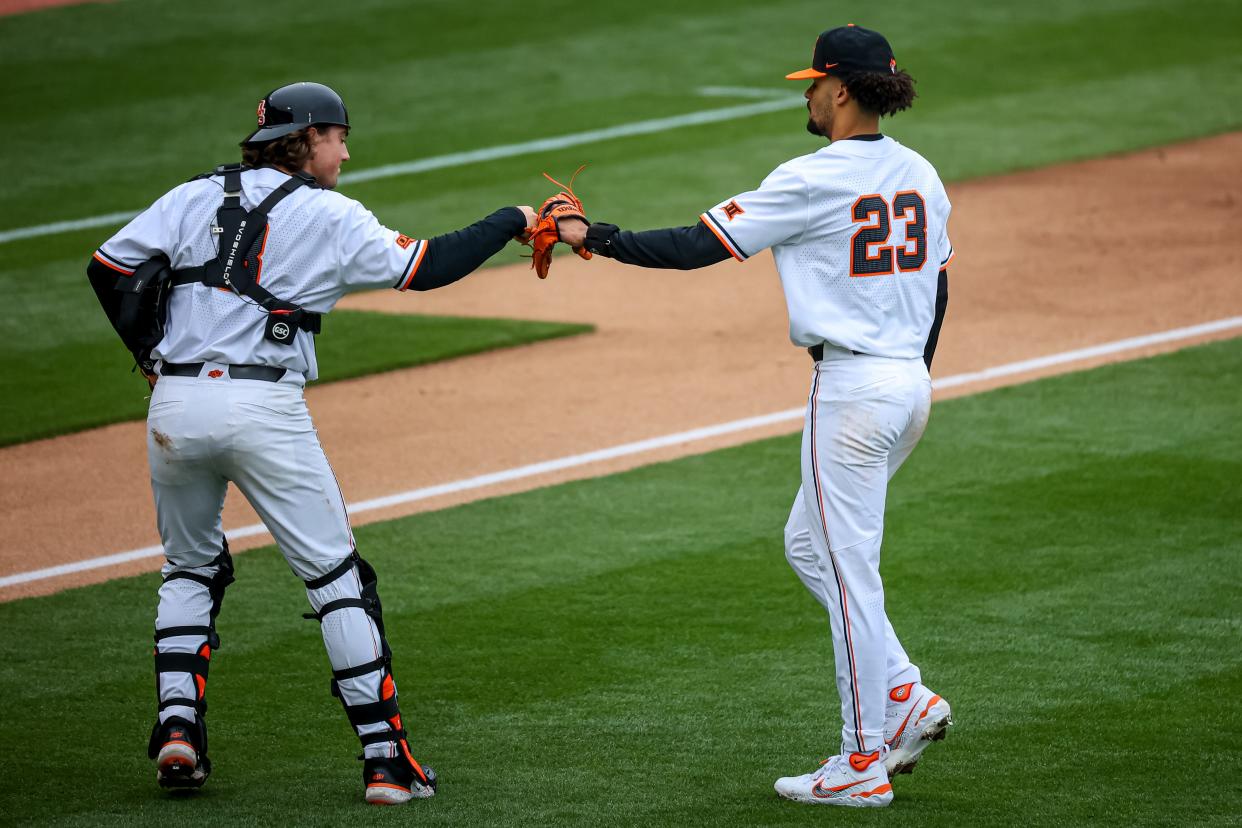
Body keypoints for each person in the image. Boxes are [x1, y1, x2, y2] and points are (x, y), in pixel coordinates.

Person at [86, 81, 537, 805]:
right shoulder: (329, 213)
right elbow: (424, 268)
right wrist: (509, 218)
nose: (347, 152)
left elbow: (108, 269)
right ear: (309, 138)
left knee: (189, 565)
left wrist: (147, 353)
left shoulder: (191, 195)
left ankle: (178, 728)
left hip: (174, 403)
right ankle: (385, 760)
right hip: (263, 404)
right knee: (335, 578)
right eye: (339, 138)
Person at [555, 24, 954, 808]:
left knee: (848, 578)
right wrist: (904, 375)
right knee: (809, 545)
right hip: (908, 384)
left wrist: (590, 235)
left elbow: (694, 246)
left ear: (840, 90)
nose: (805, 94)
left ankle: (860, 763)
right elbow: (938, 290)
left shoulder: (812, 176)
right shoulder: (922, 173)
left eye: (812, 82)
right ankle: (905, 695)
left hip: (851, 394)